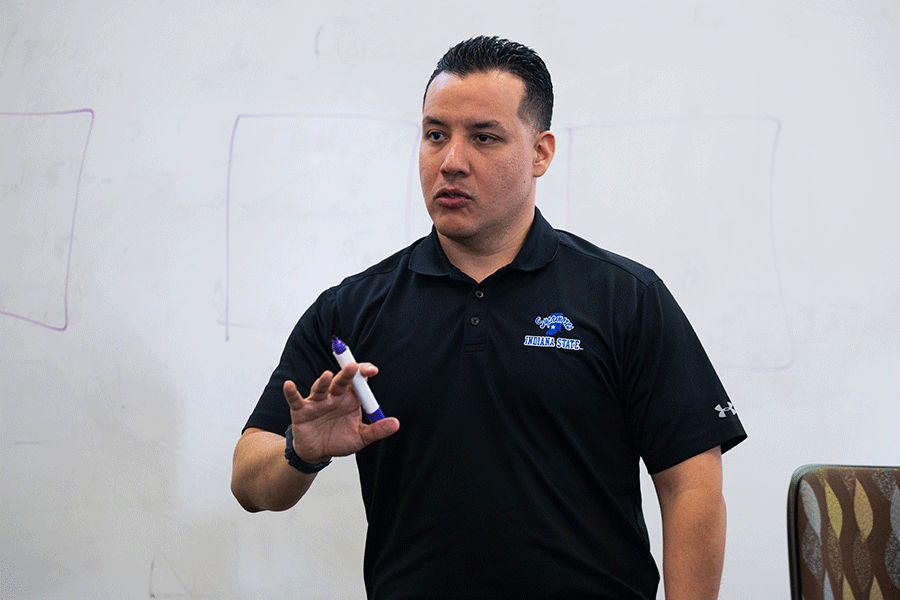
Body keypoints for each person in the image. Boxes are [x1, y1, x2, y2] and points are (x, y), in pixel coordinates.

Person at [231, 36, 746, 600]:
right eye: (435, 135)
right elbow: (250, 483)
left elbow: (690, 485)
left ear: (541, 152)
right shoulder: (351, 311)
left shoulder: (625, 298)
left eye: (484, 137)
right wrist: (300, 453)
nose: (451, 161)